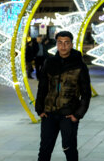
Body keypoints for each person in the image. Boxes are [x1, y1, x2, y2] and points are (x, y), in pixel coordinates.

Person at [35, 31, 91, 161]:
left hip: (68, 114)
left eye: (66, 43)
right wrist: (40, 109)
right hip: (49, 113)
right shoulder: (49, 62)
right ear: (57, 44)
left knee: (69, 148)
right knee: (44, 150)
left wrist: (77, 115)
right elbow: (42, 87)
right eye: (60, 43)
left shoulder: (79, 65)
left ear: (71, 44)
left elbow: (86, 93)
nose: (63, 46)